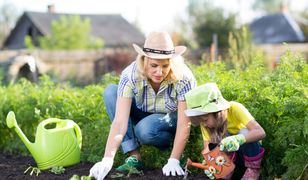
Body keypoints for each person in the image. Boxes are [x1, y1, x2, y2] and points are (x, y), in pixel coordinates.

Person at [89, 31, 197, 179]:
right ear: (144, 60)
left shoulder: (183, 77)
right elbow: (120, 122)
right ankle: (134, 156)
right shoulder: (130, 75)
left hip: (172, 117)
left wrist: (174, 160)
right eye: (154, 65)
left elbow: (185, 122)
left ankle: (173, 149)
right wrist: (107, 158)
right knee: (110, 92)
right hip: (143, 111)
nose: (159, 72)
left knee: (145, 130)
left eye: (165, 66)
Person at [184, 83, 265, 180]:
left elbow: (260, 132)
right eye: (202, 121)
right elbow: (207, 148)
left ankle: (253, 170)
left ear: (217, 112)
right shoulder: (205, 123)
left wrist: (238, 139)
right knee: (214, 140)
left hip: (247, 152)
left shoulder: (235, 108)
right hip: (228, 159)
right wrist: (209, 162)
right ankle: (226, 170)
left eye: (205, 120)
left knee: (245, 132)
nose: (204, 124)